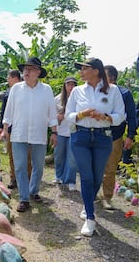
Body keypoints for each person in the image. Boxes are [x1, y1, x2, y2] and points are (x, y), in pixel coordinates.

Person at [65, 58, 125, 237]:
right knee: (86, 176)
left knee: (98, 176)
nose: (81, 72)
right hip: (80, 136)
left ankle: (87, 203)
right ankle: (90, 218)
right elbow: (68, 115)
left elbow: (121, 115)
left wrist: (106, 117)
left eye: (84, 68)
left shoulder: (113, 90)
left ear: (96, 71)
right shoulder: (76, 91)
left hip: (102, 137)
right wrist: (83, 114)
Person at [0, 57, 58, 212]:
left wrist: (54, 131)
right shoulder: (16, 89)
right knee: (20, 167)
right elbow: (9, 111)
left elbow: (52, 112)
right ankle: (24, 198)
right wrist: (5, 129)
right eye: (25, 69)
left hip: (39, 134)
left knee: (38, 166)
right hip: (19, 133)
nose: (26, 72)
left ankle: (33, 191)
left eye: (31, 69)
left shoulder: (46, 90)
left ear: (38, 72)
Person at [101, 65, 137, 210]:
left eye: (104, 75)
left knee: (110, 168)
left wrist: (130, 136)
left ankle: (107, 197)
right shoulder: (98, 91)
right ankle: (93, 195)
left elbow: (132, 117)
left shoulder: (125, 93)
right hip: (97, 134)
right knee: (95, 166)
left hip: (115, 136)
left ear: (112, 78)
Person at [0, 70, 32, 189]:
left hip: (24, 128)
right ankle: (13, 178)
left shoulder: (27, 90)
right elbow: (4, 111)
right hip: (10, 129)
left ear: (14, 78)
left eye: (9, 78)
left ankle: (28, 179)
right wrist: (1, 127)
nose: (8, 80)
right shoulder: (8, 93)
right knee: (12, 155)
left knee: (27, 155)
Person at [53, 76, 78, 191]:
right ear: (65, 85)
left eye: (73, 84)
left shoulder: (79, 98)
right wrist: (58, 116)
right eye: (68, 84)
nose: (70, 87)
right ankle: (59, 176)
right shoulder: (57, 99)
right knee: (59, 155)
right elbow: (51, 116)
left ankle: (70, 180)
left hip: (74, 131)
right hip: (60, 131)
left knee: (72, 158)